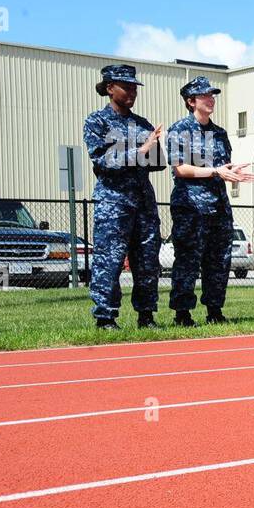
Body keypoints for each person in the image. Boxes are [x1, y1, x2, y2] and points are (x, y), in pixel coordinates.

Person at [165, 76, 254, 326]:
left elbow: (221, 167)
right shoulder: (179, 130)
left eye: (213, 95)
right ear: (191, 101)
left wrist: (231, 171)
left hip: (218, 206)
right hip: (191, 207)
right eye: (205, 95)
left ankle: (215, 310)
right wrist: (215, 171)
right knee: (188, 260)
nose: (211, 99)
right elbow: (180, 169)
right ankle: (182, 313)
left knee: (219, 260)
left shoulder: (219, 133)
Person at [83, 63, 166, 330]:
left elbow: (158, 162)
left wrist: (153, 148)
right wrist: (141, 151)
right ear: (110, 88)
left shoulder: (142, 124)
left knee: (147, 260)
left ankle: (146, 314)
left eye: (134, 87)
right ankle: (105, 317)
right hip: (114, 202)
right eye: (126, 86)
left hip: (143, 202)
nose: (132, 92)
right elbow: (103, 160)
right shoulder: (97, 121)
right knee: (110, 259)